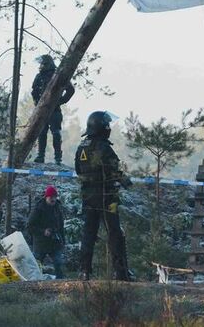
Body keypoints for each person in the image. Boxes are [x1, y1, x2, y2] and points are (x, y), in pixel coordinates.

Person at [74, 110, 133, 281]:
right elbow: (114, 170)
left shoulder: (82, 147)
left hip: (88, 197)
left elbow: (78, 170)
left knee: (88, 234)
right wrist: (126, 181)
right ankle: (120, 272)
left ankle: (84, 271)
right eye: (107, 125)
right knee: (115, 233)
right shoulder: (104, 147)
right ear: (101, 127)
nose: (109, 128)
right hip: (107, 197)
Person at [32, 54, 75, 164]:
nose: (40, 66)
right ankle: (40, 156)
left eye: (42, 64)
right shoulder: (39, 76)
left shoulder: (57, 76)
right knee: (41, 133)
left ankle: (58, 158)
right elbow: (34, 91)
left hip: (54, 110)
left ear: (47, 64)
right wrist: (37, 103)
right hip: (41, 110)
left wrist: (60, 101)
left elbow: (70, 90)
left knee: (56, 133)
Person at [26, 185, 66, 278]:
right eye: (51, 197)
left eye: (54, 197)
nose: (53, 199)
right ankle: (33, 282)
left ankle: (61, 282)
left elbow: (61, 226)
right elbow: (29, 226)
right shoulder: (38, 209)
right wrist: (43, 231)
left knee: (58, 263)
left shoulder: (58, 208)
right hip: (40, 243)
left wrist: (63, 240)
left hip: (55, 241)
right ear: (46, 197)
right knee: (36, 265)